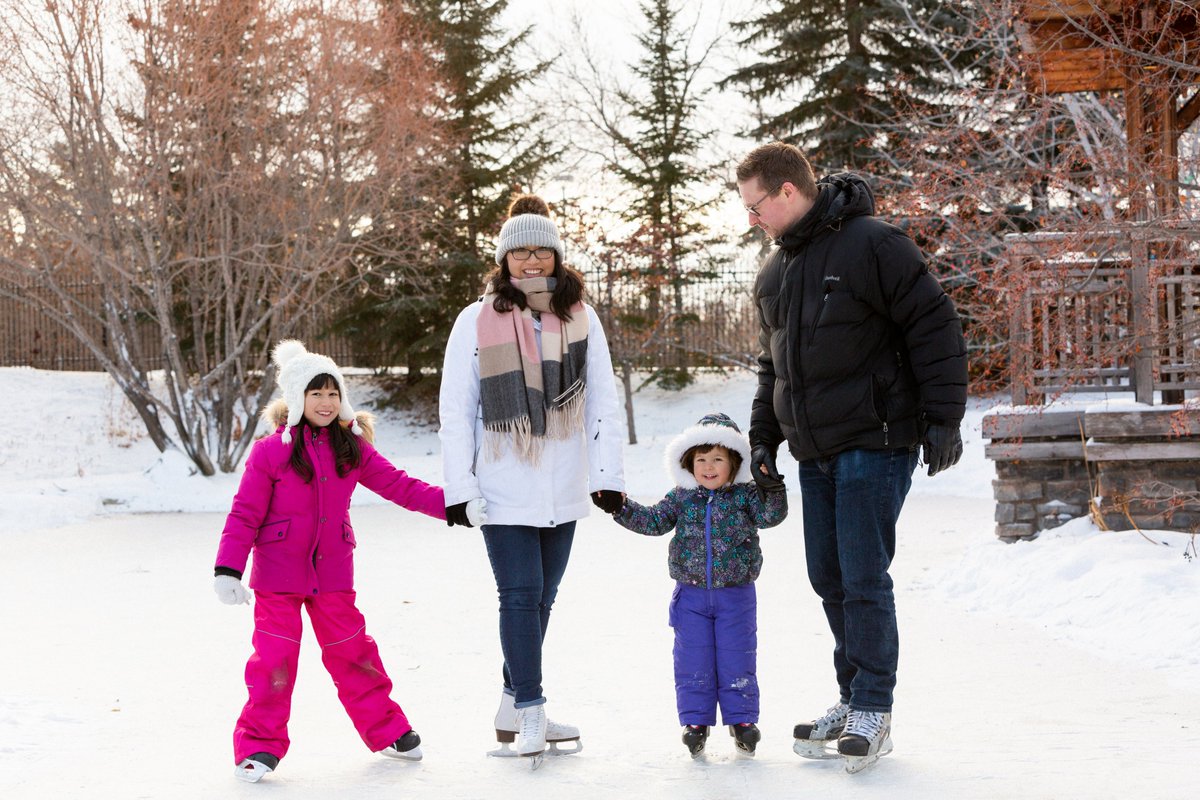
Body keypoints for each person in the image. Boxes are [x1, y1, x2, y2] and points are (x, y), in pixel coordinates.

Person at [735, 142, 967, 773]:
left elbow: (933, 323)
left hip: (876, 438)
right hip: (817, 450)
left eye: (756, 206)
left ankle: (873, 704)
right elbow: (772, 367)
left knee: (864, 575)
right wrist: (763, 440)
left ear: (787, 192)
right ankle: (849, 693)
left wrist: (944, 416)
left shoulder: (873, 243)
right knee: (829, 577)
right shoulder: (776, 274)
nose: (751, 220)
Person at [213, 340, 485, 783]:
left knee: (354, 653)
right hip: (278, 579)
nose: (326, 402)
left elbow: (401, 486)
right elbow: (244, 513)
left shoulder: (351, 448)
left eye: (333, 393)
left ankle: (389, 731)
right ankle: (259, 747)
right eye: (316, 393)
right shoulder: (270, 452)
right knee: (273, 662)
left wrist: (454, 508)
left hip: (332, 575)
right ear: (297, 398)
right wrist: (228, 569)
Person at [438, 194, 626, 764]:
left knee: (542, 601)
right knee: (519, 597)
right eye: (517, 252)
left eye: (539, 251)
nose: (529, 262)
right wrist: (461, 490)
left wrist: (607, 475)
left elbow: (602, 402)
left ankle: (510, 703)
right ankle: (533, 710)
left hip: (564, 482)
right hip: (502, 481)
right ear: (503, 260)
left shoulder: (582, 317)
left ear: (555, 255)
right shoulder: (474, 320)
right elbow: (455, 410)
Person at [600, 413, 786, 759]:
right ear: (689, 463)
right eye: (701, 459)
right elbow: (654, 521)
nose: (709, 467)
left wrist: (772, 486)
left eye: (718, 459)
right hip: (690, 596)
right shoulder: (682, 496)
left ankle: (742, 721)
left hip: (737, 595)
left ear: (734, 462)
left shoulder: (745, 496)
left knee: (737, 658)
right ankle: (696, 722)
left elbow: (770, 517)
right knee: (692, 660)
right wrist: (620, 507)